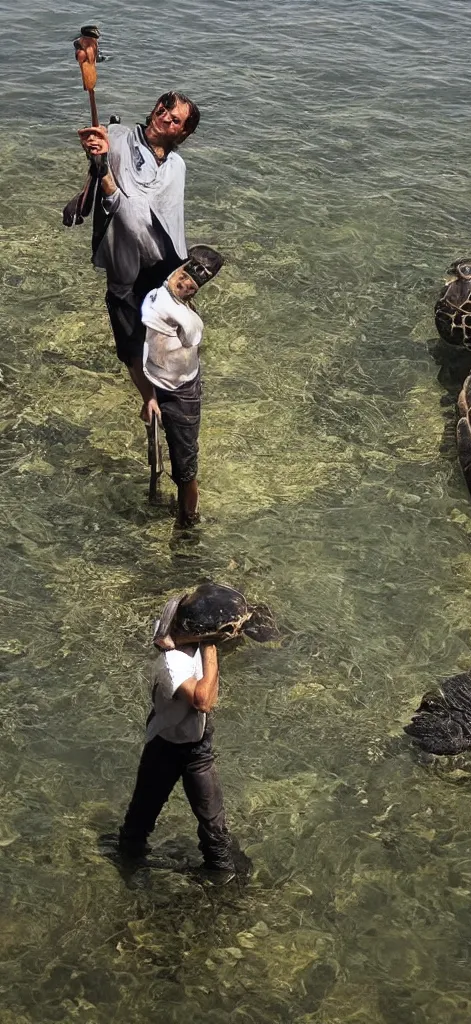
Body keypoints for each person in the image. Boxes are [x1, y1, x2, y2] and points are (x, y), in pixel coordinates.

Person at [76, 92, 200, 403]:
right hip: (125, 259)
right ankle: (149, 401)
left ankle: (173, 382)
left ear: (183, 133)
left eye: (175, 120)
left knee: (168, 333)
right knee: (131, 336)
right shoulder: (118, 137)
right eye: (162, 110)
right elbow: (102, 153)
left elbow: (167, 218)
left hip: (164, 264)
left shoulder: (177, 167)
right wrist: (96, 156)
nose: (165, 118)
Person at [117, 593, 240, 878]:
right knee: (140, 821)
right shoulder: (172, 661)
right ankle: (127, 873)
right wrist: (211, 643)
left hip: (198, 745)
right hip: (167, 746)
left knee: (215, 828)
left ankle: (222, 880)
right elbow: (203, 701)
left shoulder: (188, 643)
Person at [140, 245, 224, 527]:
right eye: (186, 274)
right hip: (157, 380)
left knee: (185, 468)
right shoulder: (159, 291)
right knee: (155, 450)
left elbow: (189, 337)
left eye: (194, 286)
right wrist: (148, 395)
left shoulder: (189, 320)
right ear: (180, 266)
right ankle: (161, 499)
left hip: (182, 393)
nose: (186, 284)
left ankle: (189, 522)